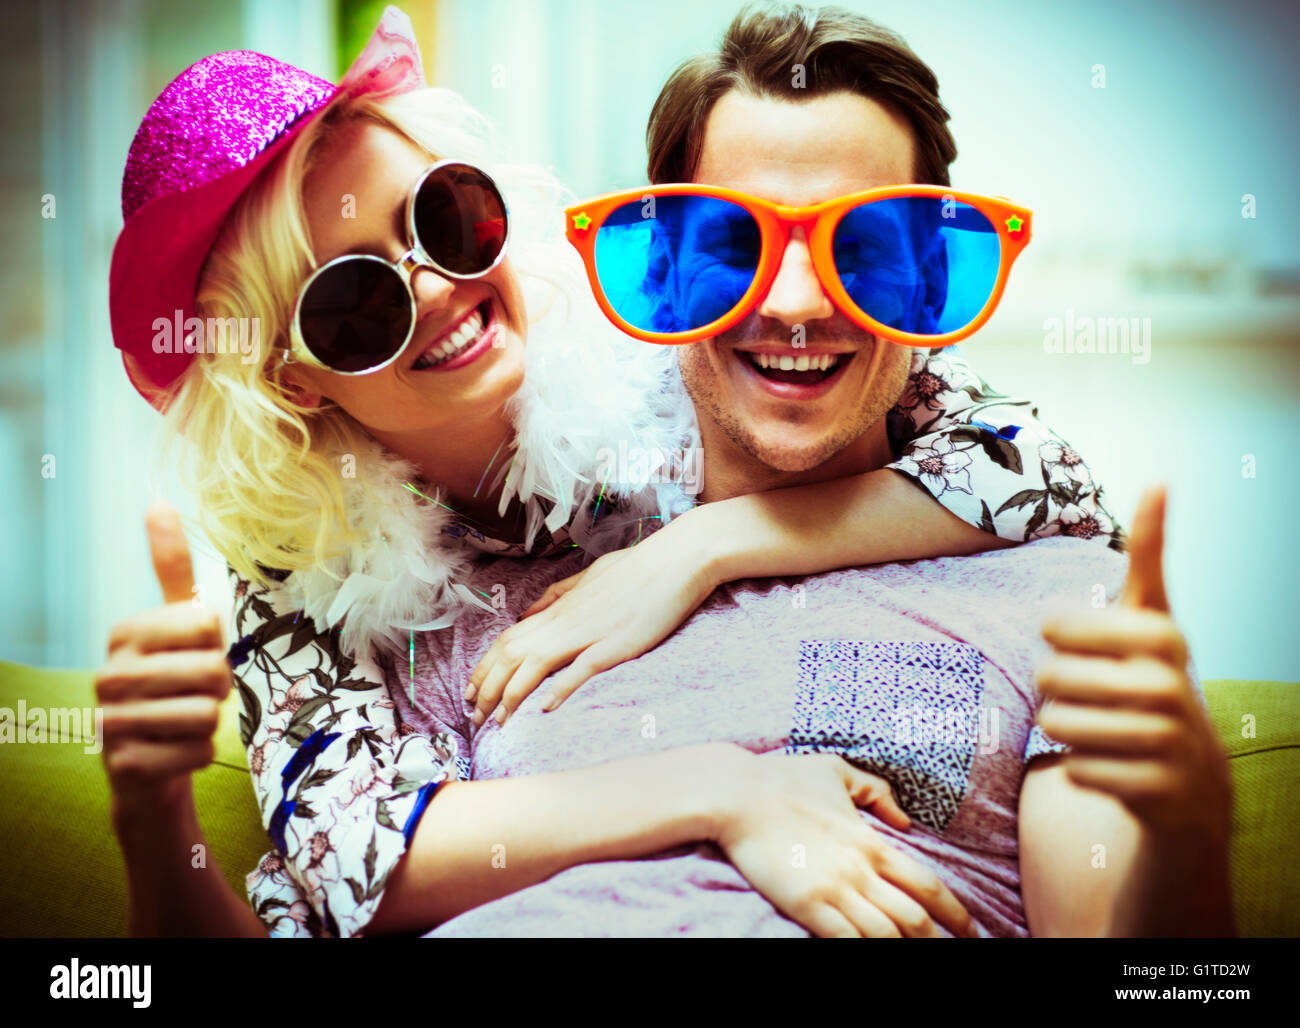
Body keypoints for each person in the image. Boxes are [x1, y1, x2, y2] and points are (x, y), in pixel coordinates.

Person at [98, 5, 1132, 938]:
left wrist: (703, 546)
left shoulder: (664, 342)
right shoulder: (303, 562)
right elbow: (348, 857)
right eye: (354, 304)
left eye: (444, 219)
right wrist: (716, 788)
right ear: (298, 379)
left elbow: (1037, 472)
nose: (437, 288)